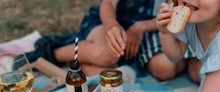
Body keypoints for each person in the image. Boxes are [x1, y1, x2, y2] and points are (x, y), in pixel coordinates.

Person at [25, 0, 195, 79]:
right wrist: (112, 25)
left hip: (147, 30)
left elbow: (173, 13)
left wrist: (140, 27)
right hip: (109, 21)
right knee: (108, 54)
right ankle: (49, 53)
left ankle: (82, 62)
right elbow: (107, 5)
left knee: (107, 76)